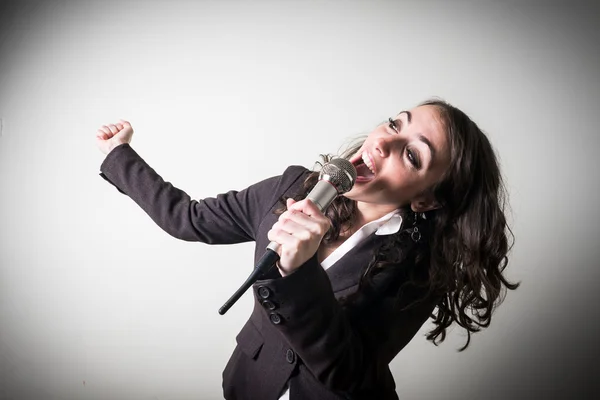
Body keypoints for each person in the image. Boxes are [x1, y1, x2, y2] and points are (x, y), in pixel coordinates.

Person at [95, 98, 519, 400]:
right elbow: (188, 218)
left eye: (410, 154)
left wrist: (298, 274)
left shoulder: (424, 266)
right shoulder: (290, 190)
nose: (381, 144)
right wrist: (120, 154)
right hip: (248, 385)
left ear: (427, 199)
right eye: (394, 123)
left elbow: (349, 372)